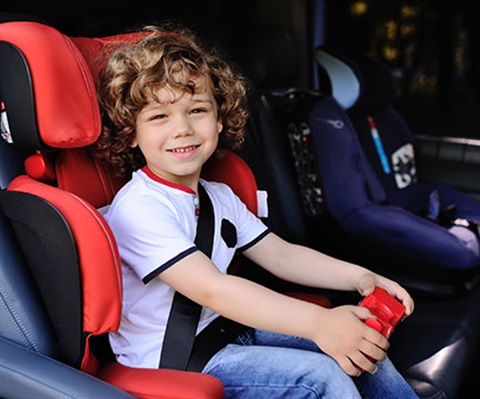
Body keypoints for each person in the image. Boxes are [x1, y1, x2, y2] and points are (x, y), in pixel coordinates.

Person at [92, 23, 419, 399]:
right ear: (131, 131)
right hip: (177, 359)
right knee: (323, 376)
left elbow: (281, 255)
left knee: (362, 347)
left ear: (218, 119)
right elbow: (214, 290)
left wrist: (361, 277)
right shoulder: (138, 209)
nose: (182, 128)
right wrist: (319, 323)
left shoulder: (218, 196)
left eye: (197, 110)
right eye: (159, 117)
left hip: (226, 332)